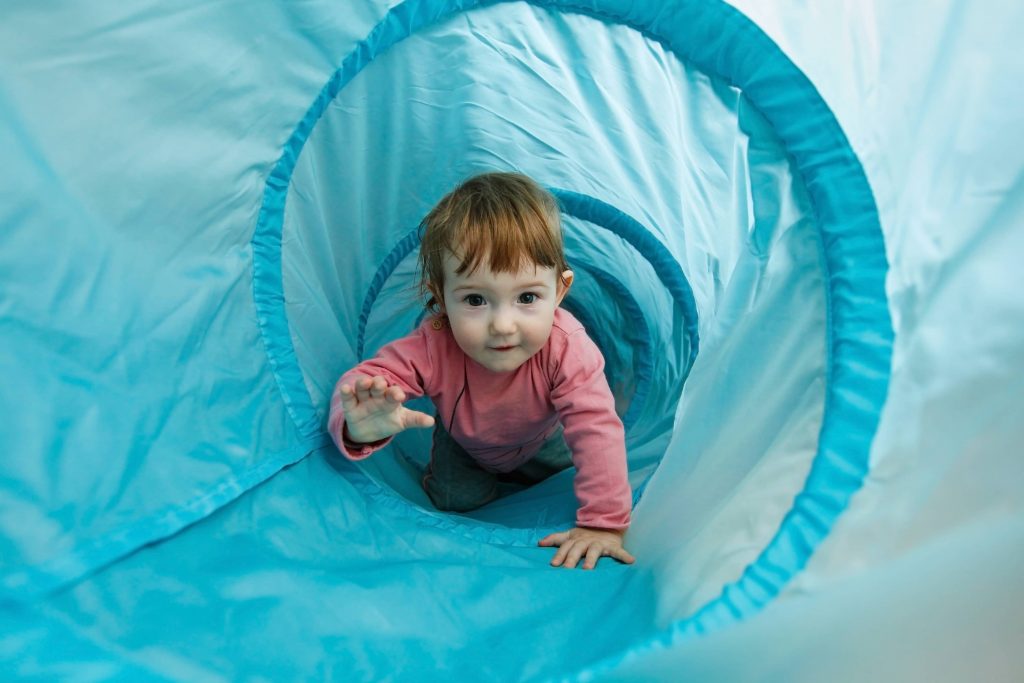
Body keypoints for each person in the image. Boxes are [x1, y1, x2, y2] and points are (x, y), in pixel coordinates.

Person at [328, 171, 634, 570]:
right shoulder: (434, 344)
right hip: (464, 446)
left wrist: (604, 525)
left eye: (527, 296)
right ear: (441, 298)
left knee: (562, 480)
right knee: (454, 506)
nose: (503, 325)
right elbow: (365, 381)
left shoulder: (567, 347)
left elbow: (596, 427)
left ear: (559, 291)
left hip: (545, 438)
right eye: (475, 299)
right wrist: (357, 427)